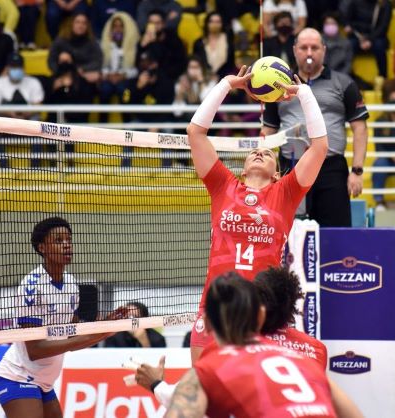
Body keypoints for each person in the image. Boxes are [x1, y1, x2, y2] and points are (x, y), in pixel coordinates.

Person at [187, 63, 328, 362]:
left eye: (269, 154)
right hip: (215, 308)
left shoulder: (285, 193)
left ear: (278, 174)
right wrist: (227, 84)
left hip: (263, 312)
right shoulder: (223, 185)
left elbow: (319, 147)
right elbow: (195, 132)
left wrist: (303, 92)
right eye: (254, 151)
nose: (260, 151)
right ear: (242, 168)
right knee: (204, 396)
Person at [164, 274, 363, 418]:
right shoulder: (303, 361)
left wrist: (157, 385)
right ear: (260, 316)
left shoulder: (210, 368)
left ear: (205, 324)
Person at [132, 265, 328, 406]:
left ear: (256, 311)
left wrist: (156, 383)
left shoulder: (234, 350)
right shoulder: (316, 350)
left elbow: (190, 401)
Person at [0, 217, 125, 418]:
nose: (67, 245)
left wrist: (103, 326)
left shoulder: (72, 285)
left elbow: (73, 333)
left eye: (69, 240)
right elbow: (35, 350)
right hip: (18, 375)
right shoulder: (32, 287)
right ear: (42, 248)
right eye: (58, 240)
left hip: (45, 382)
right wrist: (94, 335)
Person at [263, 28, 369, 227]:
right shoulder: (278, 86)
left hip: (330, 169)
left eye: (315, 48)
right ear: (295, 50)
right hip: (290, 167)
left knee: (335, 232)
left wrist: (357, 171)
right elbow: (267, 130)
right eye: (304, 48)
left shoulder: (344, 83)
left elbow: (360, 129)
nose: (309, 53)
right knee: (287, 231)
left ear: (324, 50)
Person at [47, 13, 102, 93]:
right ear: (71, 24)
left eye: (84, 23)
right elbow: (51, 61)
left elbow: (97, 61)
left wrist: (80, 70)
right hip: (63, 74)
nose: (81, 25)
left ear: (87, 26)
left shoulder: (92, 42)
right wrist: (62, 73)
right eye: (77, 22)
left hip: (84, 75)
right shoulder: (60, 40)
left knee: (92, 80)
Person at [339, 0, 391, 79]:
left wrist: (369, 39)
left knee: (379, 46)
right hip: (357, 36)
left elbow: (383, 27)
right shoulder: (354, 2)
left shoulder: (384, 4)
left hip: (376, 37)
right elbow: (347, 20)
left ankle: (382, 77)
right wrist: (347, 26)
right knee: (349, 45)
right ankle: (345, 75)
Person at [99, 12, 139, 107]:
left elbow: (137, 69)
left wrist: (124, 75)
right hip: (108, 78)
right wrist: (108, 75)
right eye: (115, 26)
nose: (118, 29)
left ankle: (127, 118)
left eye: (121, 26)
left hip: (127, 79)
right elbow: (99, 66)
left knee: (125, 91)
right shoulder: (103, 45)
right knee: (105, 90)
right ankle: (102, 119)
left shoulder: (134, 46)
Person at [137, 9, 187, 82]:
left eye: (157, 23)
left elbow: (179, 65)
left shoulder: (173, 39)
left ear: (163, 24)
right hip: (146, 77)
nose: (154, 26)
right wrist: (142, 46)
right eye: (151, 23)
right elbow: (138, 63)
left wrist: (155, 43)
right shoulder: (143, 38)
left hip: (168, 77)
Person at [192, 12, 236, 79]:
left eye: (218, 22)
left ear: (222, 24)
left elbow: (231, 65)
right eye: (211, 21)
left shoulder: (228, 41)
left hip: (224, 79)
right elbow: (196, 63)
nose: (214, 24)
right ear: (207, 24)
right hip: (203, 79)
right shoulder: (198, 43)